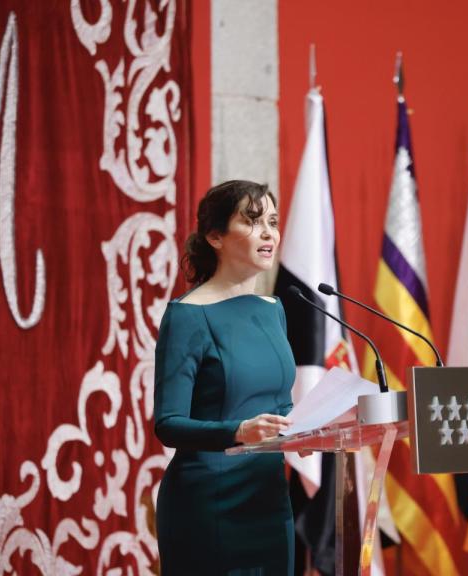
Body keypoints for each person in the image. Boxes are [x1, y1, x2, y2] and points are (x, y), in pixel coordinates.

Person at [153, 180, 296, 575]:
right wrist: (239, 431)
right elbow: (168, 424)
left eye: (272, 222)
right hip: (209, 503)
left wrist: (306, 431)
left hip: (268, 499)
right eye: (252, 221)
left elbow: (279, 403)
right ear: (215, 236)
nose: (267, 233)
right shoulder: (187, 315)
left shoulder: (272, 309)